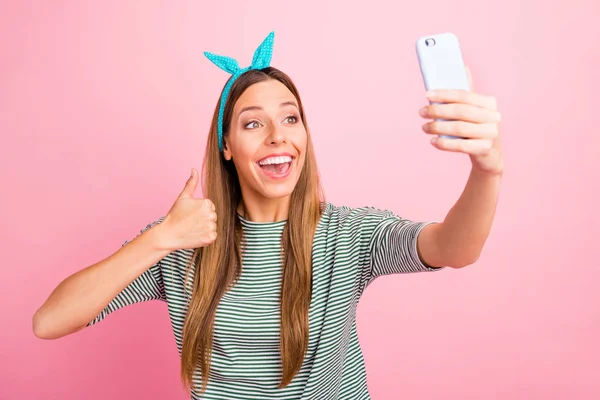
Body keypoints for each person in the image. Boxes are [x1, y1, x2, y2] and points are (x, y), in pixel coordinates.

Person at [32, 31, 503, 399]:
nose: (278, 135)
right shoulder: (179, 243)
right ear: (227, 147)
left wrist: (487, 170)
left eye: (291, 117)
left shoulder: (348, 234)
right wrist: (160, 239)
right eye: (253, 123)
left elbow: (454, 249)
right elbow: (49, 321)